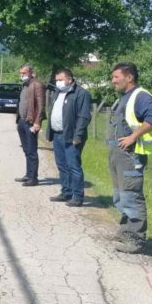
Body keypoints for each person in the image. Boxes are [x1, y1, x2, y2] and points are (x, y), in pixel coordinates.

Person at [108, 62, 152, 253]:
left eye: (116, 77)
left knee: (131, 196)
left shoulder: (141, 96)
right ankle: (125, 231)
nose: (112, 80)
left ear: (129, 77)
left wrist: (133, 136)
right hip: (118, 154)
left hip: (131, 155)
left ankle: (136, 238)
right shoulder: (124, 97)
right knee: (120, 195)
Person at [45, 68, 92, 207]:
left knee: (73, 166)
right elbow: (53, 112)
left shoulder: (81, 93)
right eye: (56, 80)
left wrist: (77, 136)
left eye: (60, 80)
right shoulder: (58, 92)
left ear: (70, 79)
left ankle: (77, 196)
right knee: (62, 165)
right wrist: (49, 132)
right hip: (57, 134)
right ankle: (66, 192)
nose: (58, 82)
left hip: (72, 136)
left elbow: (84, 117)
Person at [15, 64, 46, 186]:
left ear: (31, 72)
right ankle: (28, 174)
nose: (22, 75)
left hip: (31, 121)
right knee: (26, 149)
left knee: (32, 150)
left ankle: (33, 178)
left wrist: (38, 122)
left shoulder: (37, 85)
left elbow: (41, 106)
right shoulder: (25, 85)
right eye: (21, 73)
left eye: (24, 73)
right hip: (22, 121)